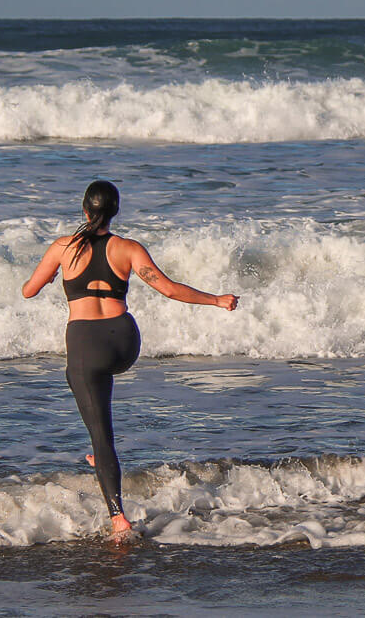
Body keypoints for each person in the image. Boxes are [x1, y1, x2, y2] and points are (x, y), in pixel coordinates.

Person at [22, 180, 239, 540]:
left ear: (85, 211)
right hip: (124, 342)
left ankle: (117, 515)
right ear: (115, 211)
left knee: (97, 423)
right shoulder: (127, 248)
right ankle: (100, 456)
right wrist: (217, 300)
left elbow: (28, 290)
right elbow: (168, 288)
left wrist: (49, 280)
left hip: (86, 344)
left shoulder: (63, 248)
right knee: (96, 387)